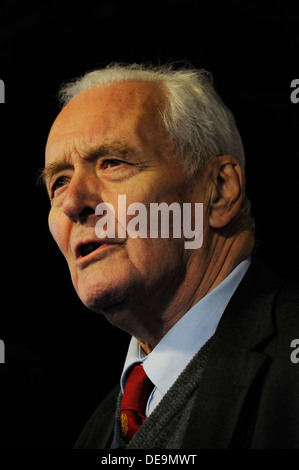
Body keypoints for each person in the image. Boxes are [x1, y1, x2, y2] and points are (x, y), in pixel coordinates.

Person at [42, 63, 299, 449]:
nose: (73, 202)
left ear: (220, 190)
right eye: (58, 182)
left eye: (113, 162)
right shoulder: (97, 431)